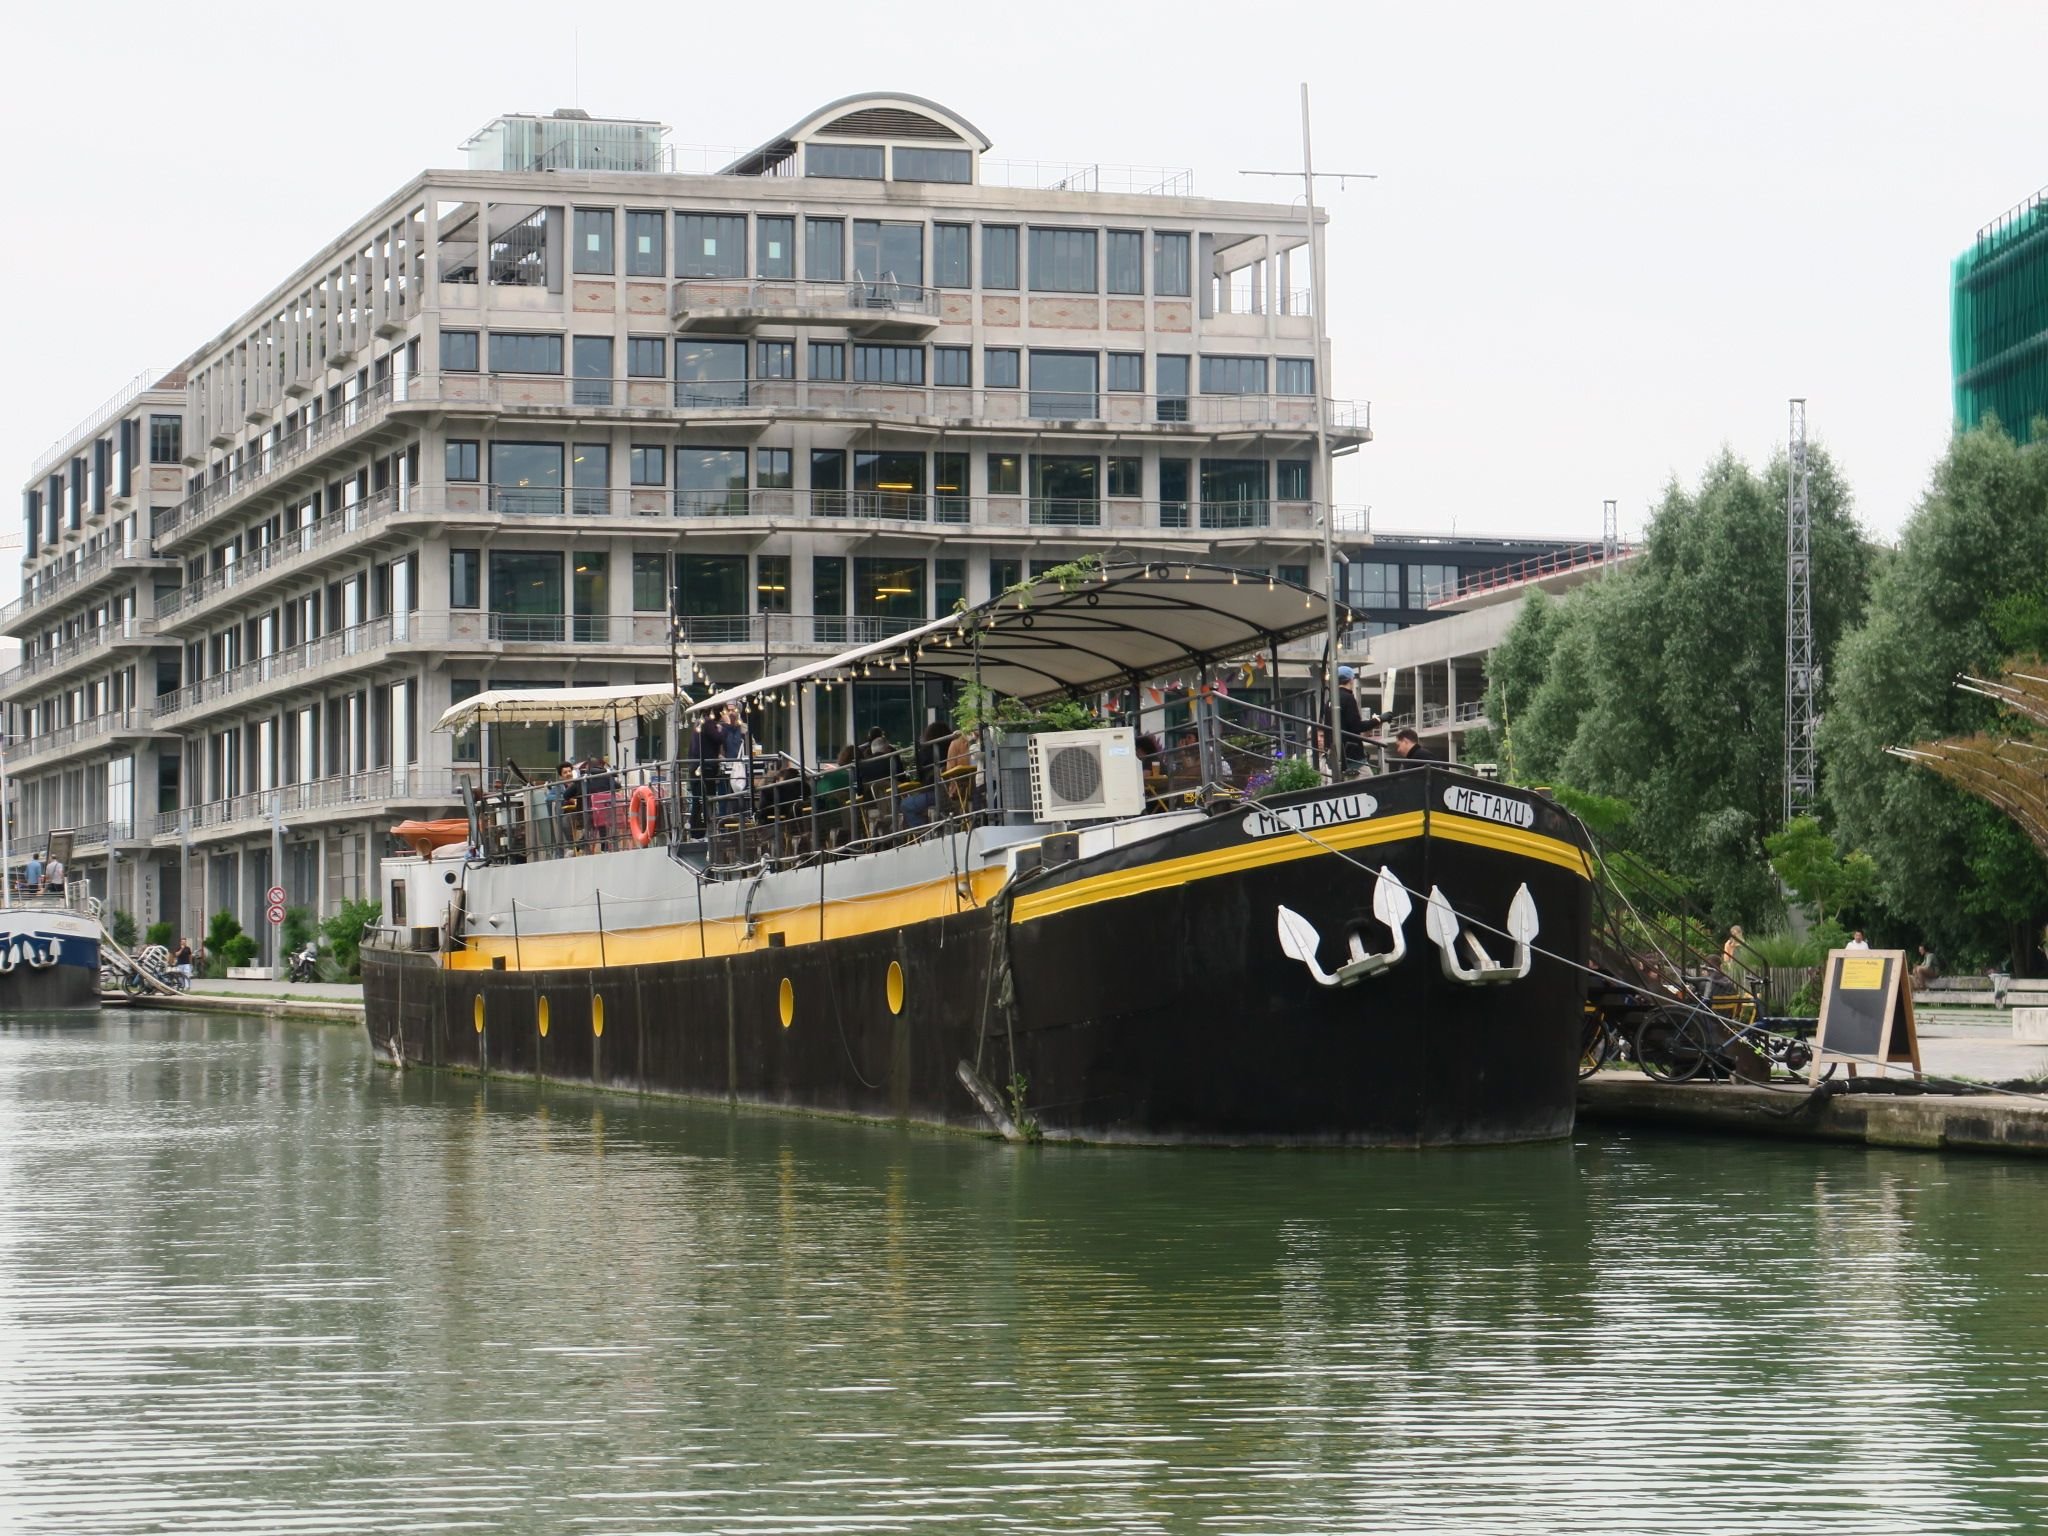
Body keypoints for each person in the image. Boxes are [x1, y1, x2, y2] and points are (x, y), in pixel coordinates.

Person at [902, 722, 955, 828]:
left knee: (905, 805)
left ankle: (924, 832)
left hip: (935, 793)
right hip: (952, 790)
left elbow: (919, 777)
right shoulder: (950, 746)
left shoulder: (926, 751)